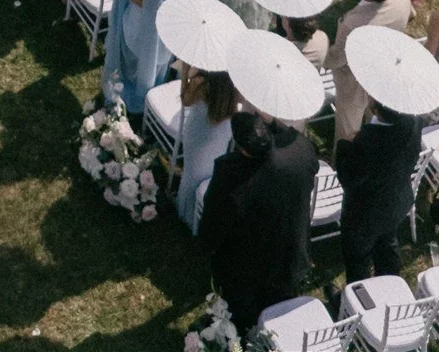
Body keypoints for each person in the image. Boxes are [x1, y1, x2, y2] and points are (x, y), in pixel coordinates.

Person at [198, 111, 316, 334]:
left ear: (241, 147)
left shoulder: (231, 173)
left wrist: (207, 246)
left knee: (245, 324)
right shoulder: (301, 149)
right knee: (280, 320)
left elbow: (215, 219)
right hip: (290, 253)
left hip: (247, 268)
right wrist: (275, 124)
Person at [336, 101, 423, 282]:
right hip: (396, 202)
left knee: (358, 260)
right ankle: (390, 285)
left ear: (376, 109)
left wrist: (344, 144)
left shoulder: (368, 141)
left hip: (365, 214)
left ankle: (360, 297)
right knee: (387, 242)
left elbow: (348, 178)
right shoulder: (413, 122)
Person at [327, 0, 414, 143]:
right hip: (385, 69)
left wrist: (319, 51)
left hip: (355, 78)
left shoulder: (352, 23)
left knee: (348, 123)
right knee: (371, 111)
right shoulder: (402, 0)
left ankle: (344, 160)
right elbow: (412, 15)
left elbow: (337, 59)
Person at [176, 65, 238, 233]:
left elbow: (185, 100)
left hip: (199, 132)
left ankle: (186, 213)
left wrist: (184, 73)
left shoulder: (200, 82)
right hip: (222, 132)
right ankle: (203, 208)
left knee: (192, 173)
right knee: (209, 170)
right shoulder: (232, 81)